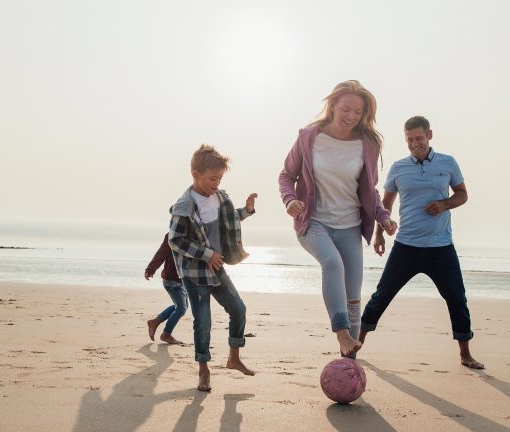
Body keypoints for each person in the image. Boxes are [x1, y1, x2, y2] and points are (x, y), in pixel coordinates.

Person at [278, 80, 397, 359]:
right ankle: (342, 334)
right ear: (332, 106)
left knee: (353, 297)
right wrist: (290, 200)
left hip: (350, 227)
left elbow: (370, 191)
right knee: (331, 263)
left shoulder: (367, 145)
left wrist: (384, 218)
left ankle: (350, 360)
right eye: (346, 109)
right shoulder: (309, 137)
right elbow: (286, 175)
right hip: (313, 222)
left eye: (359, 112)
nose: (352, 116)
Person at [359, 115, 484, 369]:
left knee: (457, 299)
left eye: (418, 138)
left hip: (441, 248)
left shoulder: (448, 163)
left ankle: (465, 354)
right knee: (382, 296)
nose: (414, 143)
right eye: (409, 139)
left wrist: (445, 204)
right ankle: (355, 344)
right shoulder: (398, 167)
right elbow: (385, 205)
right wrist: (379, 233)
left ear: (429, 135)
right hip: (406, 246)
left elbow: (463, 195)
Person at [168, 144, 257, 392]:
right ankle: (204, 371)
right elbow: (174, 240)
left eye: (219, 178)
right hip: (195, 274)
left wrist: (247, 211)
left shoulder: (219, 197)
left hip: (217, 269)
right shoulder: (184, 206)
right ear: (196, 175)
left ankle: (233, 357)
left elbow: (227, 221)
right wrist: (206, 254)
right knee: (203, 322)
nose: (216, 183)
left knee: (238, 309)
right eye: (212, 178)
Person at [144, 233, 187, 345]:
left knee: (182, 306)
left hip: (182, 280)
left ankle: (155, 322)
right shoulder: (172, 235)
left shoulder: (194, 234)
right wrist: (150, 269)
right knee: (181, 308)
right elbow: (161, 253)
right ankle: (166, 334)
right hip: (172, 280)